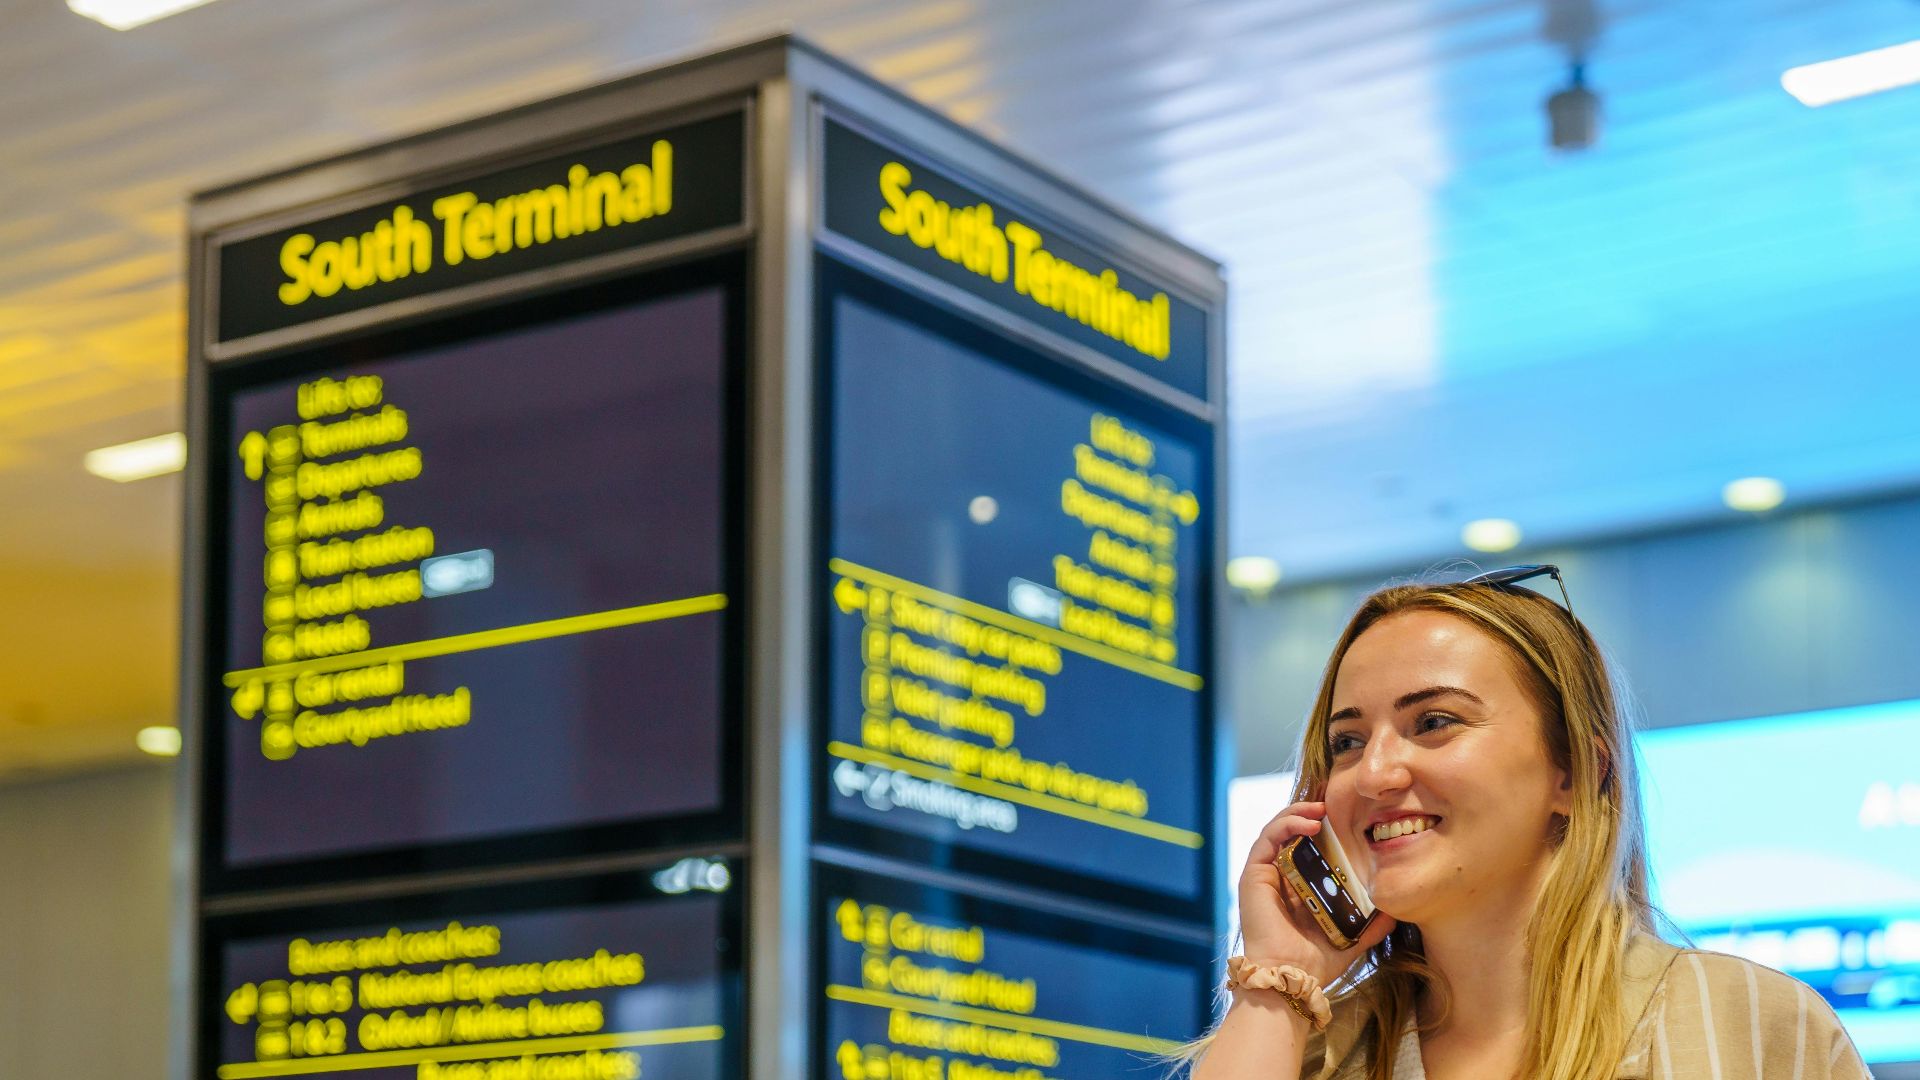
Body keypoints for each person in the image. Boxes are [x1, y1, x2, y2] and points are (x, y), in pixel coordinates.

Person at [1191, 568, 1870, 1080]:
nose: (1373, 774)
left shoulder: (1749, 1025)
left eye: (1434, 722)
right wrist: (1279, 980)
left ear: (1574, 772)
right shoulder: (1301, 1055)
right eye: (1347, 741)